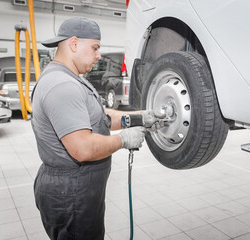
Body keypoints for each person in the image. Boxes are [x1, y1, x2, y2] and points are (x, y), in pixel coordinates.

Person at [31, 17, 164, 240]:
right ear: (74, 44)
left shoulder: (68, 77)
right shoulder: (62, 85)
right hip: (71, 191)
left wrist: (140, 117)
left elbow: (99, 117)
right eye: (95, 47)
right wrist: (123, 140)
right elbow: (82, 148)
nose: (98, 55)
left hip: (75, 187)